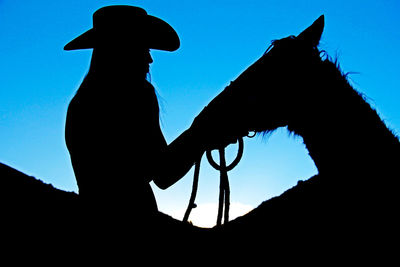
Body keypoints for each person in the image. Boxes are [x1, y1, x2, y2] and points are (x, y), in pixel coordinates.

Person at [64, 5, 238, 226]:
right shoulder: (139, 95)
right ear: (123, 49)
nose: (149, 59)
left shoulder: (80, 103)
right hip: (139, 221)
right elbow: (163, 173)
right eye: (142, 47)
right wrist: (202, 132)